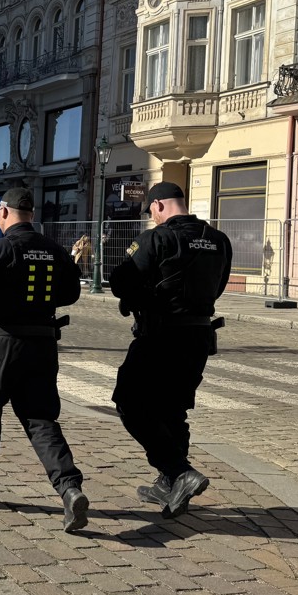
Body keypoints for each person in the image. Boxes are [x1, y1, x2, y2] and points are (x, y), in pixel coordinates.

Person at [0, 187, 87, 532]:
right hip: (42, 344)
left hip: (1, 345)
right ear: (32, 215)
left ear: (3, 213)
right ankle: (69, 488)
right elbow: (71, 293)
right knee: (41, 418)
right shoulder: (54, 250)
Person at [109, 182, 233, 519]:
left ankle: (179, 472)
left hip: (160, 335)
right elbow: (219, 285)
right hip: (198, 336)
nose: (152, 217)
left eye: (151, 211)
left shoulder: (156, 238)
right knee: (174, 410)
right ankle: (168, 484)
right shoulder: (218, 240)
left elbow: (120, 281)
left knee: (130, 403)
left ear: (159, 205)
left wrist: (141, 297)